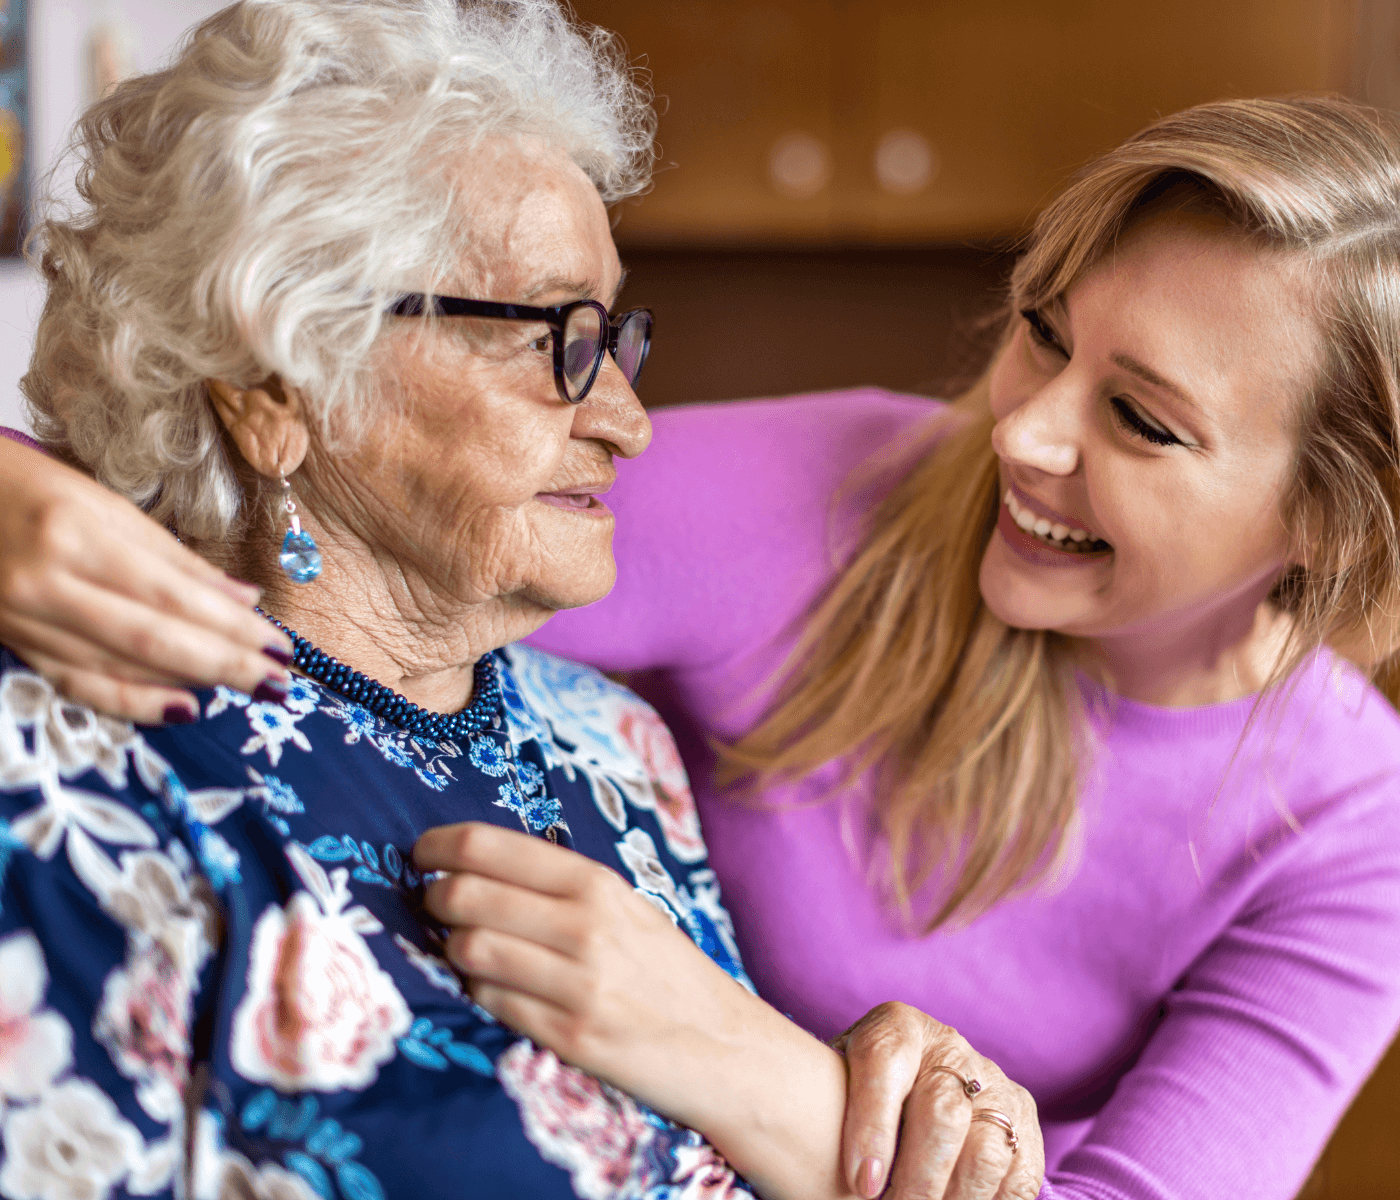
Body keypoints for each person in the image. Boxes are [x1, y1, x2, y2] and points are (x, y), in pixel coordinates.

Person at [0, 31, 1397, 1200]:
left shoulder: (1357, 834)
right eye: (1043, 326)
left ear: (1324, 525)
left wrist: (755, 1064)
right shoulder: (839, 499)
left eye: (1142, 419)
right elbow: (260, 468)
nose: (1020, 432)